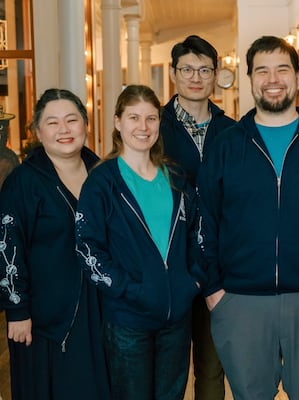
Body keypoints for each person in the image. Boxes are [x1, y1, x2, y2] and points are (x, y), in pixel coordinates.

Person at [197, 36, 299, 400]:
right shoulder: (226, 145)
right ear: (249, 77)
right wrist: (214, 290)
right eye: (262, 70)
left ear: (297, 75)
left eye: (282, 69)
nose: (273, 79)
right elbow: (204, 218)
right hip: (239, 299)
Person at [75, 85, 203, 400]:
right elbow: (87, 247)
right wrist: (129, 290)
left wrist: (194, 281)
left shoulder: (174, 176)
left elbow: (199, 232)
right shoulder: (102, 181)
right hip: (127, 321)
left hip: (176, 318)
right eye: (134, 117)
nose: (143, 127)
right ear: (118, 122)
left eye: (150, 118)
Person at [0, 88, 109, 399]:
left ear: (86, 125)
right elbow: (8, 246)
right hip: (44, 317)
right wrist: (17, 310)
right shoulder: (23, 181)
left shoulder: (103, 173)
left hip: (100, 308)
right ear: (37, 131)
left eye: (72, 120)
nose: (64, 130)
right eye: (52, 122)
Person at [161, 34, 236, 400]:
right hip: (169, 264)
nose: (195, 76)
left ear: (215, 74)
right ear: (173, 74)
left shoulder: (232, 130)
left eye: (204, 69)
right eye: (187, 69)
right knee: (170, 367)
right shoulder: (154, 129)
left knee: (212, 364)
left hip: (218, 266)